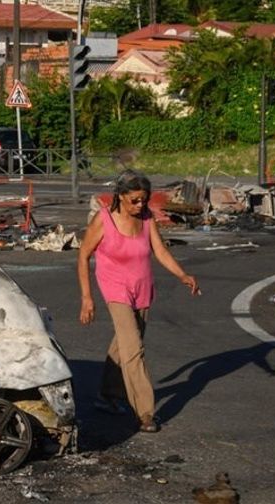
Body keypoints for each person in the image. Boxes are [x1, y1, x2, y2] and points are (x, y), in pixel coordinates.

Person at [77, 169, 200, 433]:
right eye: (135, 200)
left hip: (142, 288)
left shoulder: (146, 219)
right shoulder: (104, 220)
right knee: (134, 350)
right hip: (115, 289)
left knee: (124, 345)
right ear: (120, 196)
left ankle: (107, 395)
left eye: (144, 199)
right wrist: (87, 298)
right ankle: (145, 412)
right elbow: (83, 255)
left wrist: (182, 274)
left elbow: (159, 250)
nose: (140, 205)